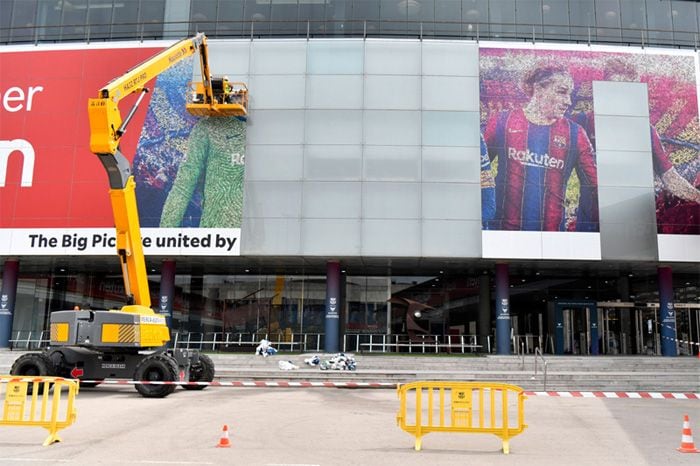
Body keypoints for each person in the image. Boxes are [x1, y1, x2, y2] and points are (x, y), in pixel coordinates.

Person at [483, 65, 598, 231]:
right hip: (503, 235)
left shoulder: (576, 133)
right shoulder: (503, 121)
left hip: (551, 238)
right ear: (538, 89)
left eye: (569, 94)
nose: (568, 101)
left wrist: (583, 230)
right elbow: (478, 171)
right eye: (561, 91)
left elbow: (594, 187)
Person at [574, 57, 700, 206]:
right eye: (615, 88)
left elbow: (671, 178)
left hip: (631, 218)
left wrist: (697, 196)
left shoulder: (645, 131)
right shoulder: (582, 123)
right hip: (589, 222)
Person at [159, 116, 246, 228]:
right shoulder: (208, 127)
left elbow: (182, 188)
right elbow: (182, 188)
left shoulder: (207, 127)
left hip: (221, 233)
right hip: (221, 234)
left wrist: (164, 234)